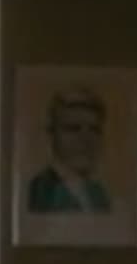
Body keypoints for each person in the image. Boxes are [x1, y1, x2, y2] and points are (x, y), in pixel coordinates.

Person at [25, 86, 114, 216]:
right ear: (52, 134)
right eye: (73, 129)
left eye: (95, 130)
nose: (86, 140)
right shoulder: (40, 191)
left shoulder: (99, 194)